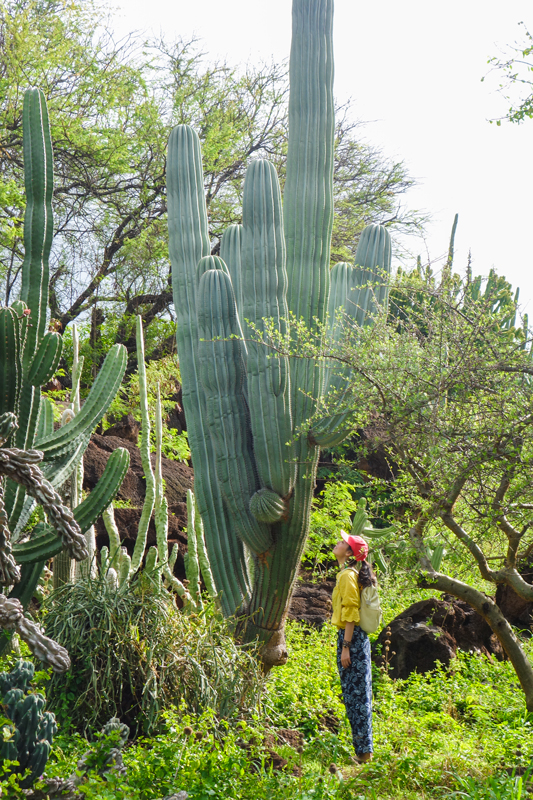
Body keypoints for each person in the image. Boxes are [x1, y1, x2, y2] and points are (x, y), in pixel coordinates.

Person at [331, 530, 376, 764]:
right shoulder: (346, 574)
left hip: (352, 639)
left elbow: (351, 612)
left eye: (342, 542)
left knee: (357, 698)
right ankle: (362, 752)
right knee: (353, 696)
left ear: (349, 552)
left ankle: (365, 755)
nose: (337, 543)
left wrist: (346, 647)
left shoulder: (348, 576)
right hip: (351, 638)